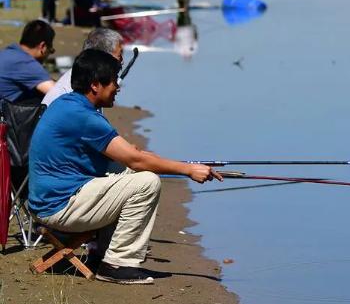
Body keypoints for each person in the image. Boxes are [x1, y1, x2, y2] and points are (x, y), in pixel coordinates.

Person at [28, 49, 223, 285]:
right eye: (113, 82)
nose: (118, 88)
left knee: (135, 173)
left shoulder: (69, 104)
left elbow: (131, 156)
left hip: (51, 199)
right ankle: (117, 264)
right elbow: (135, 159)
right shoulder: (83, 115)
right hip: (57, 206)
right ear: (95, 85)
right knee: (146, 182)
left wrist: (182, 165)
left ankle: (103, 253)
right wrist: (188, 170)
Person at [43, 28, 123, 106]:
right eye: (119, 56)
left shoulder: (83, 75)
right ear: (102, 56)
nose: (122, 62)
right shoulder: (81, 86)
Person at [0, 20, 55, 104]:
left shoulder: (9, 52)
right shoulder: (26, 63)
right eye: (50, 50)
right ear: (42, 46)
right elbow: (58, 94)